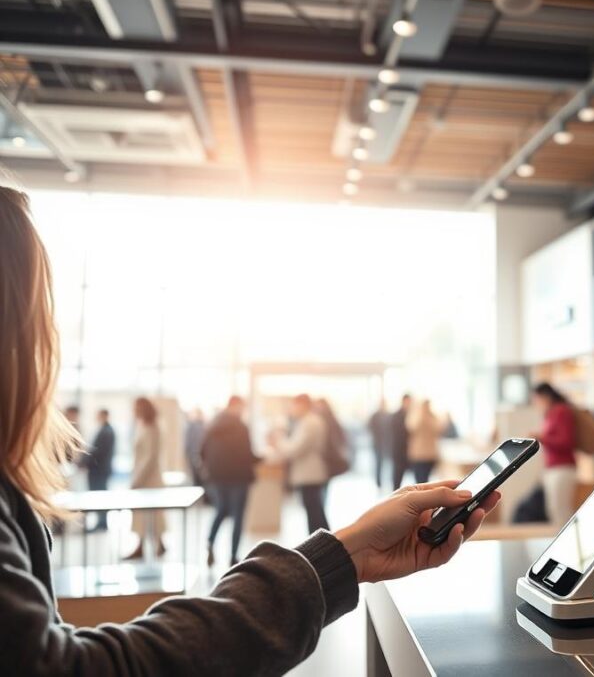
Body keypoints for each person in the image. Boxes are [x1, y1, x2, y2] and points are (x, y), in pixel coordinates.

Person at [0, 183, 500, 676]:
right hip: (266, 490)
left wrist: (346, 553)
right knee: (270, 515)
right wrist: (339, 557)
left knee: (282, 515)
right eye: (41, 315)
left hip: (280, 485)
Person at [201, 396, 258, 566]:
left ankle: (210, 542)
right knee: (238, 516)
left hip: (217, 477)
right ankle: (233, 555)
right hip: (238, 477)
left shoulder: (212, 425)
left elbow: (202, 451)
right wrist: (262, 459)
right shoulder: (241, 427)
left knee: (220, 511)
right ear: (236, 406)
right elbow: (247, 454)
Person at [269, 394, 331, 534]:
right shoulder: (307, 421)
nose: (292, 409)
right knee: (314, 512)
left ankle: (320, 546)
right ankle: (322, 544)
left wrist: (278, 440)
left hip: (310, 474)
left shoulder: (310, 422)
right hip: (308, 474)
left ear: (302, 405)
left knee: (315, 514)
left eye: (294, 405)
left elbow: (295, 449)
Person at [531, 382, 577, 527]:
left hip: (562, 467)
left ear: (544, 396)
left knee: (560, 510)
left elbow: (565, 441)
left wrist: (541, 437)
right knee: (554, 509)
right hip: (554, 467)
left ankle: (568, 543)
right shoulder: (552, 413)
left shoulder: (560, 411)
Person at [126, 396, 166, 559]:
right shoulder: (141, 426)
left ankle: (155, 544)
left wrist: (138, 479)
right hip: (141, 476)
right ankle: (144, 545)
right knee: (142, 516)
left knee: (152, 515)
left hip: (150, 480)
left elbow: (150, 457)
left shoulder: (153, 428)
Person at [80, 408, 115, 531]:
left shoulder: (106, 431)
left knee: (100, 496)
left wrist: (84, 462)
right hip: (99, 469)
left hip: (99, 470)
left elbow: (98, 452)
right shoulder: (104, 430)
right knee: (98, 496)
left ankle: (102, 522)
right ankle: (101, 521)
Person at [407, 399, 443, 484]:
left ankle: (423, 496)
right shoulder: (416, 416)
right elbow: (411, 427)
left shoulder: (433, 417)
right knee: (419, 480)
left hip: (429, 454)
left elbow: (439, 429)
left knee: (424, 480)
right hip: (418, 454)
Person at [390, 394, 413, 490]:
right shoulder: (396, 415)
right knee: (397, 476)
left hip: (410, 451)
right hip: (399, 451)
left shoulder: (412, 415)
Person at [369, 399, 391, 488]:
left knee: (388, 463)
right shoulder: (375, 416)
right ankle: (379, 483)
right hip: (377, 444)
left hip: (387, 444)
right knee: (379, 463)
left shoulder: (388, 415)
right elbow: (370, 428)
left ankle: (386, 481)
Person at [184, 408, 207, 490]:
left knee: (197, 479)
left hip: (196, 455)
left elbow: (187, 444)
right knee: (200, 479)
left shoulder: (202, 426)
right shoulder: (204, 426)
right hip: (197, 455)